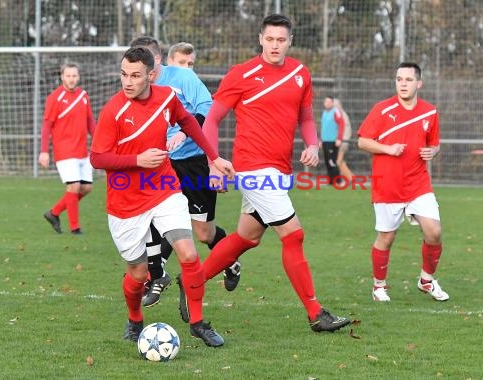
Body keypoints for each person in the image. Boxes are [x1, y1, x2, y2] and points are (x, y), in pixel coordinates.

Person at [183, 14, 352, 333]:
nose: (275, 45)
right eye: (270, 39)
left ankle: (192, 281)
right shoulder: (241, 74)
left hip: (279, 170)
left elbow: (305, 117)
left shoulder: (301, 74)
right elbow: (211, 121)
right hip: (251, 167)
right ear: (261, 39)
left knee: (248, 237)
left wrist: (313, 145)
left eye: (281, 40)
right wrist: (213, 163)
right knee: (294, 234)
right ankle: (316, 313)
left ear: (291, 42)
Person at [90, 46, 233, 347]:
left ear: (151, 76)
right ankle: (134, 318)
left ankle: (197, 322)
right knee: (139, 273)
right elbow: (98, 158)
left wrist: (214, 158)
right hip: (125, 201)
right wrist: (137, 160)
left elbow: (189, 121)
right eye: (124, 74)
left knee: (190, 254)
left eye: (135, 75)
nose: (128, 81)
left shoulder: (167, 97)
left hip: (164, 188)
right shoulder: (113, 111)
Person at [128, 36, 241, 308]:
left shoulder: (183, 78)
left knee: (203, 232)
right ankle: (157, 276)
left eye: (145, 69)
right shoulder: (137, 87)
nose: (141, 75)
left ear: (156, 61)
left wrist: (183, 131)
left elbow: (208, 108)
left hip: (193, 162)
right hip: (162, 165)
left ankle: (232, 261)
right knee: (154, 219)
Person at [357, 62, 449, 302]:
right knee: (386, 238)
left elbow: (434, 143)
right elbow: (363, 141)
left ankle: (426, 280)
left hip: (418, 184)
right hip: (387, 185)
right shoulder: (382, 109)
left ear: (419, 83)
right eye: (399, 79)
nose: (403, 84)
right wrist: (387, 148)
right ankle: (379, 287)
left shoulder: (430, 112)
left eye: (408, 80)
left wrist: (433, 152)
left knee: (434, 231)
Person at [39, 62, 95, 235]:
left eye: (74, 76)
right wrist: (44, 151)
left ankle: (54, 213)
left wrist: (100, 142)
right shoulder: (54, 98)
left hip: (81, 151)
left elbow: (90, 122)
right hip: (64, 150)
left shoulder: (83, 96)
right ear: (62, 76)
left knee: (86, 188)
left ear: (78, 77)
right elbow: (46, 126)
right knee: (74, 187)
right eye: (68, 75)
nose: (71, 79)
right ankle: (75, 228)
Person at [320, 95, 345, 184]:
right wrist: (321, 140)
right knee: (327, 162)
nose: (327, 103)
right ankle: (331, 181)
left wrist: (339, 138)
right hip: (325, 141)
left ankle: (338, 181)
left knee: (332, 161)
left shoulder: (336, 112)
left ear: (332, 103)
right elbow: (323, 127)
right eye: (325, 102)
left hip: (332, 141)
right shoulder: (324, 113)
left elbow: (341, 124)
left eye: (329, 102)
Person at [333, 98, 355, 181]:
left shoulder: (339, 113)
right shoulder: (341, 113)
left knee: (338, 161)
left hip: (342, 141)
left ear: (339, 105)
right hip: (343, 140)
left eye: (335, 105)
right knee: (340, 161)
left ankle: (350, 178)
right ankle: (350, 177)